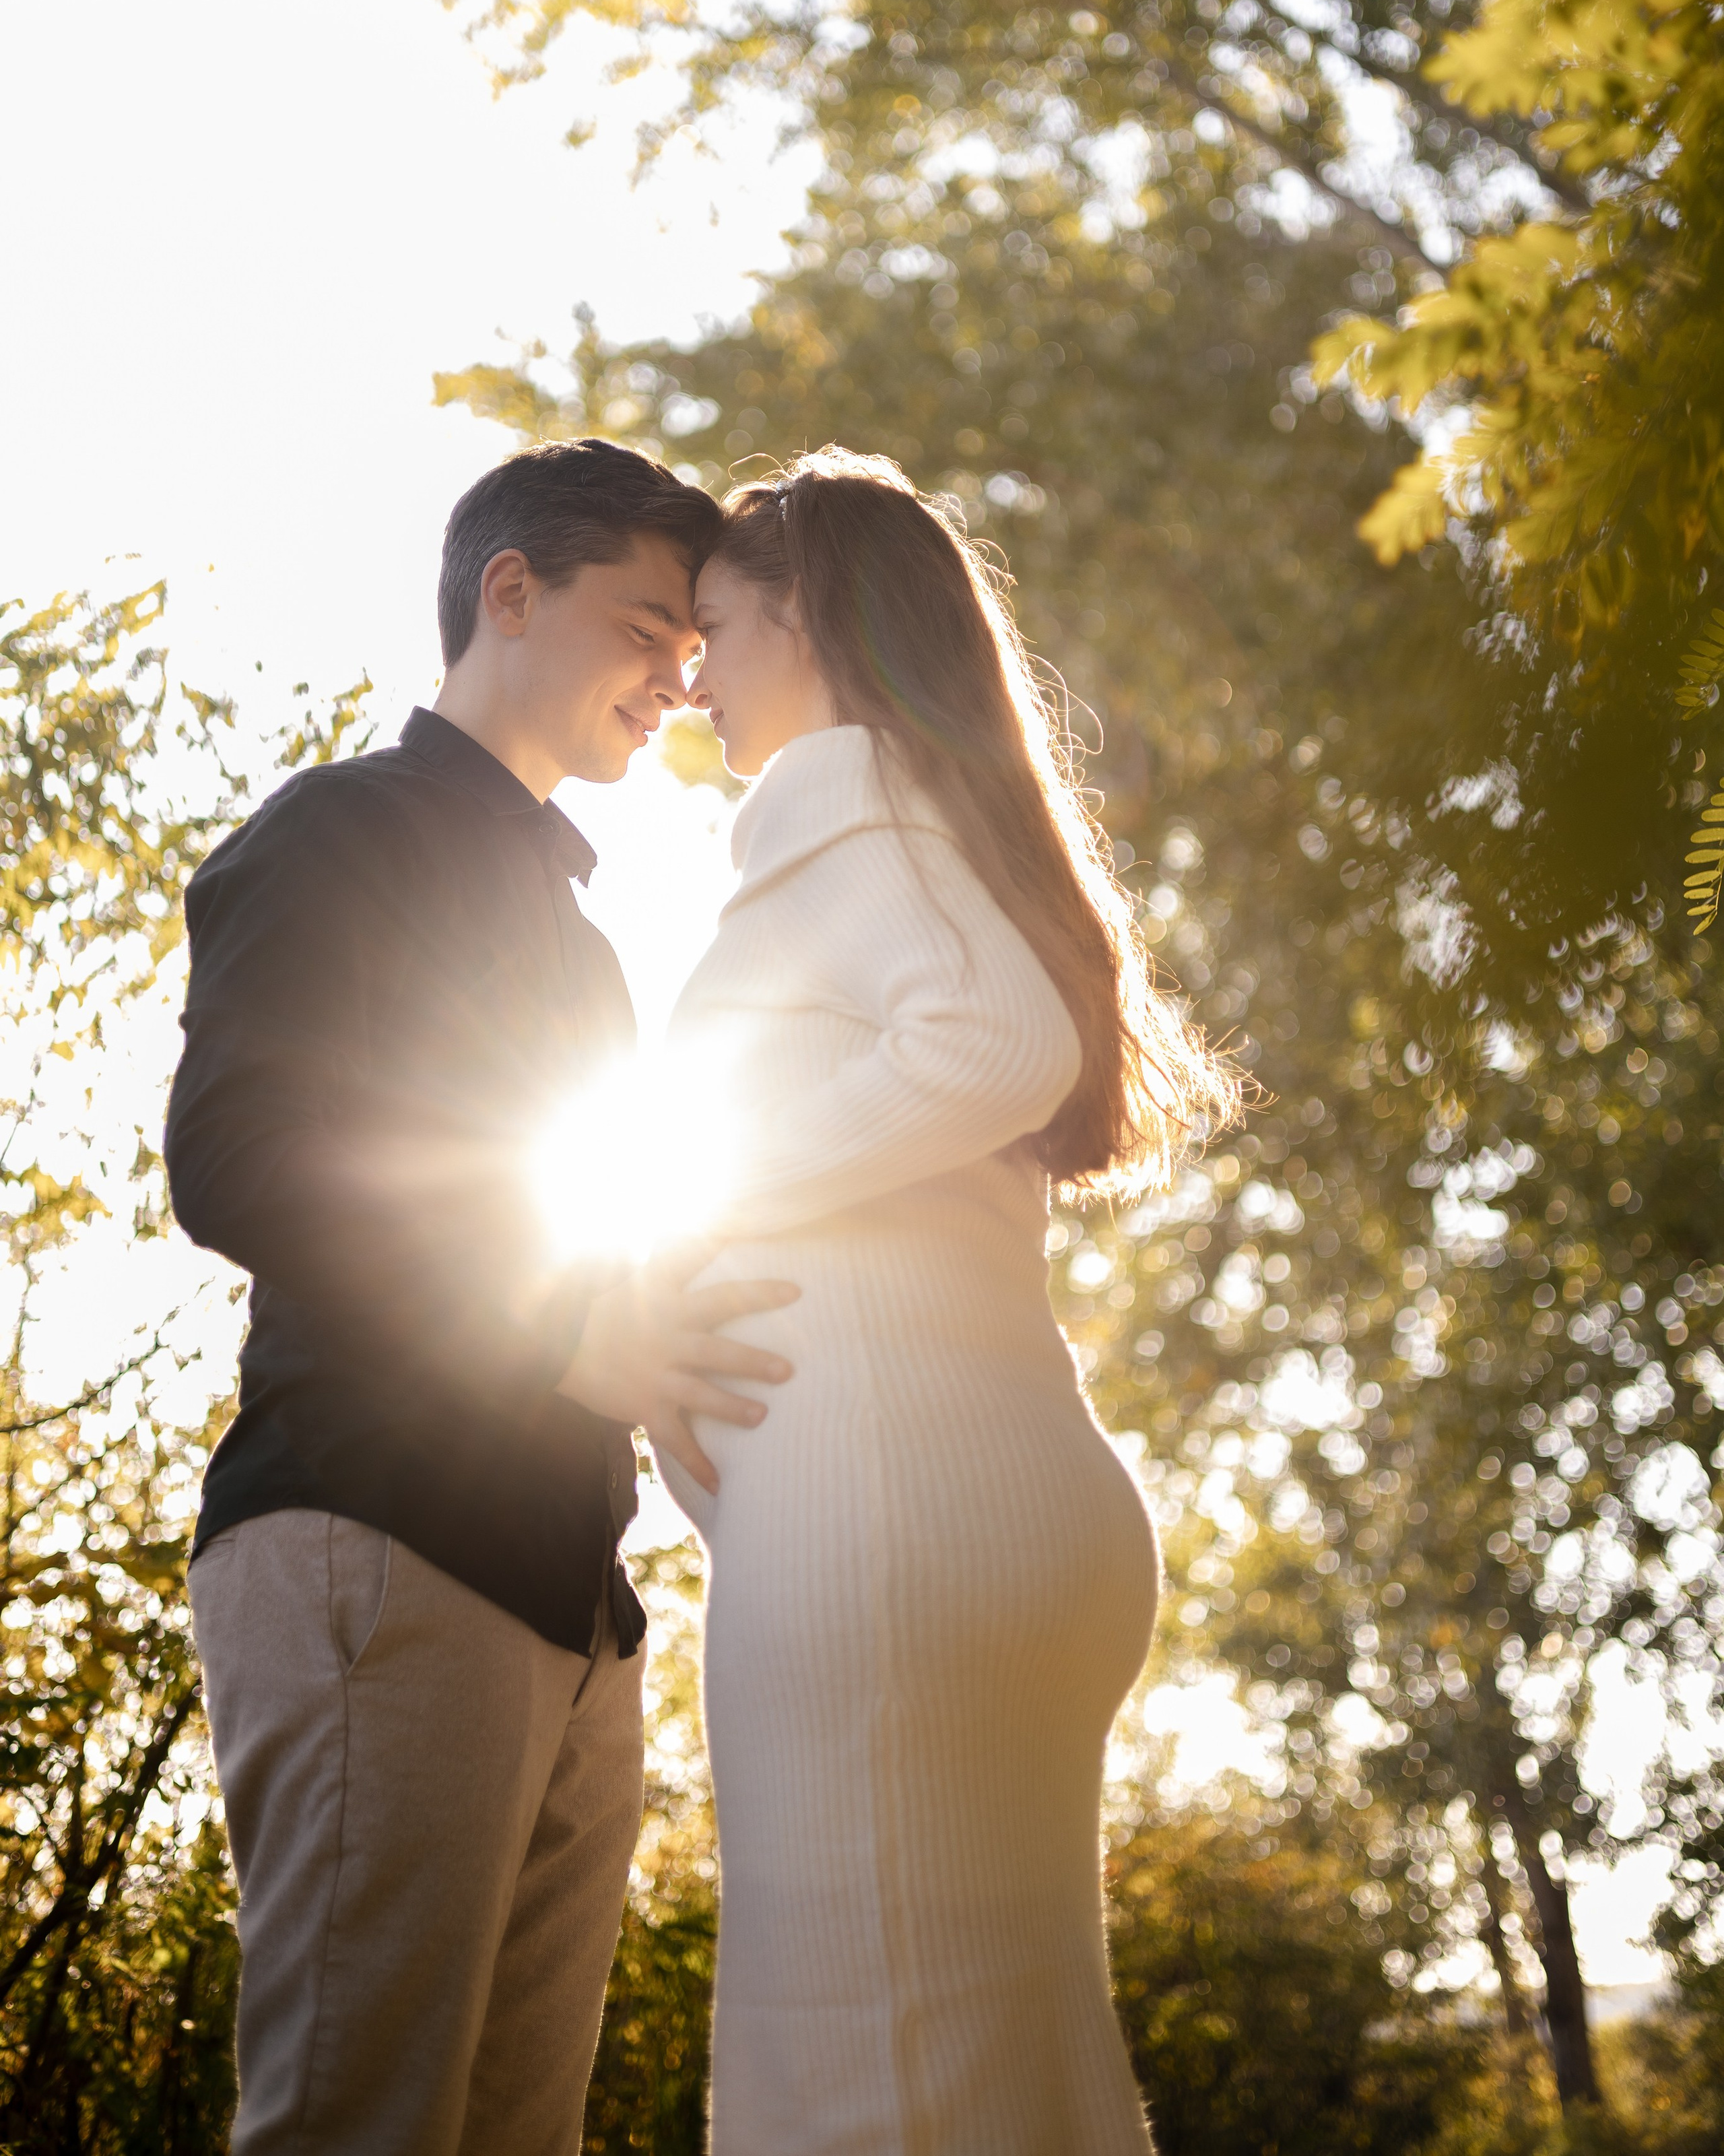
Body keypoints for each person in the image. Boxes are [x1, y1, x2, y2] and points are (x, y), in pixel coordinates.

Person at [164, 440, 797, 2156]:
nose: (679, 677)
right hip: (378, 1542)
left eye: (693, 648)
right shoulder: (337, 831)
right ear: (507, 593)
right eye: (647, 627)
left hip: (571, 1607)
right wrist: (560, 1336)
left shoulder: (586, 939)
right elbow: (237, 1163)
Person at [650, 449, 1237, 2154]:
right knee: (994, 2082)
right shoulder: (911, 819)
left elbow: (996, 1042)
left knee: (860, 2081)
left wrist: (704, 1197)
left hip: (888, 1532)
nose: (691, 670)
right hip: (951, 1505)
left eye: (710, 623)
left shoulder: (855, 804)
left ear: (806, 614)